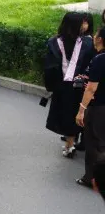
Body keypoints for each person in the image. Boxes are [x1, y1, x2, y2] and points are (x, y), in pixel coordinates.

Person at [45, 12, 94, 157]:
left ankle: (70, 144)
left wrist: (51, 85)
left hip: (62, 86)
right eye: (81, 23)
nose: (84, 25)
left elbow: (49, 67)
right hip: (81, 86)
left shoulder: (54, 42)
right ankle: (71, 143)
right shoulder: (87, 43)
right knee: (77, 113)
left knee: (66, 114)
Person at [75, 26, 105, 189]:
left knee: (94, 144)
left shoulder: (100, 59)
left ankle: (91, 178)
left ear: (100, 39)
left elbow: (91, 88)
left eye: (96, 35)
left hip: (98, 108)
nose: (93, 36)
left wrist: (81, 110)